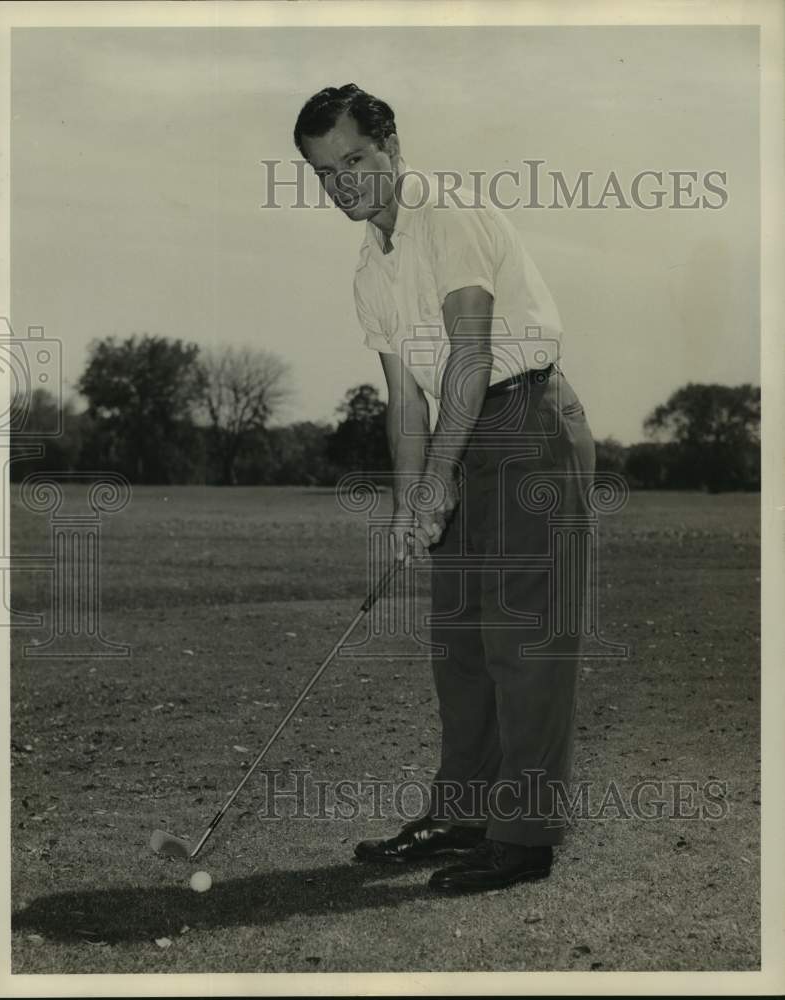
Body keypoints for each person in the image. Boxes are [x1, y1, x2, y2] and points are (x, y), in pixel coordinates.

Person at [293, 84, 596, 894]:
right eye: (326, 173)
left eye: (355, 160)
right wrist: (407, 502)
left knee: (523, 640)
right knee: (459, 643)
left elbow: (468, 355)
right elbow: (405, 398)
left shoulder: (449, 214)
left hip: (527, 423)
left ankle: (523, 840)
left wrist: (434, 486)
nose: (344, 183)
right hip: (464, 438)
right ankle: (461, 815)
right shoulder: (370, 267)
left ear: (392, 146)